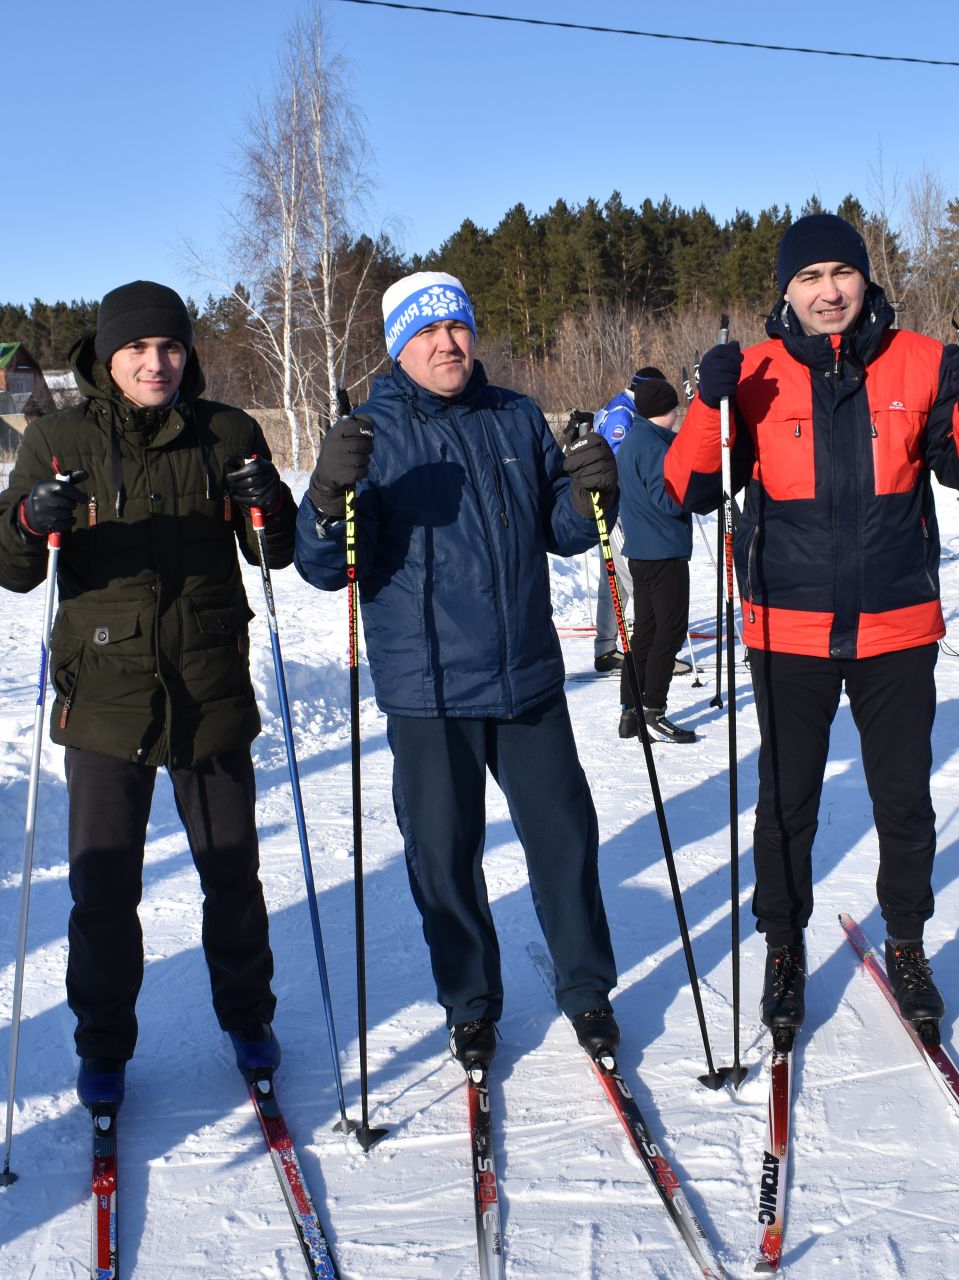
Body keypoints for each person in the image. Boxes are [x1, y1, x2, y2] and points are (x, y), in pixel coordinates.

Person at [663, 212, 959, 1042]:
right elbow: (692, 490)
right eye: (809, 278)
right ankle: (785, 949)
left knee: (903, 799)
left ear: (866, 279)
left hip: (897, 624)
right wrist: (707, 405)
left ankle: (907, 940)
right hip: (789, 628)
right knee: (786, 806)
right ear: (786, 290)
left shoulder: (922, 360)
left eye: (841, 275)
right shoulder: (751, 373)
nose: (829, 292)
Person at [293, 271, 622, 1070]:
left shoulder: (514, 415)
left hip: (527, 676)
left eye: (458, 328)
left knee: (565, 838)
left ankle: (587, 991)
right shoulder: (368, 434)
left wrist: (590, 498)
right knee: (444, 853)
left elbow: (561, 527)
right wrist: (328, 490)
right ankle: (471, 1005)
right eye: (426, 333)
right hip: (428, 689)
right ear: (398, 345)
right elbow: (325, 567)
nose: (447, 344)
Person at [0, 280, 295, 1110]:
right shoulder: (56, 437)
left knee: (233, 876)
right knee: (105, 888)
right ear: (107, 357)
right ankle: (103, 1048)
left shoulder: (226, 431)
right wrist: (28, 522)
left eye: (170, 348)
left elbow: (274, 554)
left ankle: (249, 1021)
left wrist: (272, 506)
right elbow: (9, 571)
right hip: (106, 698)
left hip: (210, 686)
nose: (155, 363)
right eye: (137, 350)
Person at [612, 372, 697, 743]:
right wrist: (693, 492)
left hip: (642, 552)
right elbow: (667, 499)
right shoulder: (654, 448)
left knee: (645, 631)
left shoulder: (634, 440)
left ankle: (630, 709)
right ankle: (653, 709)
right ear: (668, 410)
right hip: (663, 552)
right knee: (669, 631)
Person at [590, 368, 669, 671]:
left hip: (613, 505)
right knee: (638, 577)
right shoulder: (623, 413)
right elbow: (620, 461)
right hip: (621, 507)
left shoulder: (623, 406)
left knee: (614, 582)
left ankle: (606, 647)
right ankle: (649, 648)